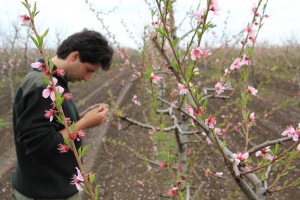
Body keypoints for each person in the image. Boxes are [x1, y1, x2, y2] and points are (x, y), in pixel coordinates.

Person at [12, 29, 114, 200]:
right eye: (89, 70)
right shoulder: (44, 86)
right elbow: (39, 143)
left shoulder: (52, 79)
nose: (88, 78)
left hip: (50, 188)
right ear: (74, 56)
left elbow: (51, 125)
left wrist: (82, 116)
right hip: (44, 193)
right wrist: (83, 123)